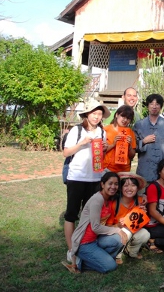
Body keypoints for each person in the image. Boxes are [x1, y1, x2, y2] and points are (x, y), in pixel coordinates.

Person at [63, 100, 110, 260]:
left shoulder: (102, 132)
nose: (97, 117)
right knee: (72, 214)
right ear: (87, 114)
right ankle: (71, 249)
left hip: (95, 178)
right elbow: (66, 152)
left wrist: (104, 148)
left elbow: (100, 156)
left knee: (90, 214)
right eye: (94, 113)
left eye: (99, 114)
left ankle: (85, 244)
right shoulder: (76, 130)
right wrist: (82, 143)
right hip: (77, 177)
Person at [62, 172, 126, 274]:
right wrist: (117, 230)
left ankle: (97, 259)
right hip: (84, 243)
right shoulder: (97, 199)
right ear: (102, 184)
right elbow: (95, 227)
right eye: (110, 183)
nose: (113, 187)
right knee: (111, 266)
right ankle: (79, 263)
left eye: (116, 184)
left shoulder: (109, 199)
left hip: (96, 239)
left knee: (118, 240)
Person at [106, 172, 150, 263]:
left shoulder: (141, 201)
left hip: (131, 232)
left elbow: (143, 224)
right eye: (126, 186)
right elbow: (107, 227)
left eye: (133, 185)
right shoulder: (114, 204)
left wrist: (143, 214)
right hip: (115, 234)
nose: (129, 189)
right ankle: (117, 254)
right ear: (121, 188)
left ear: (137, 188)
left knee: (145, 233)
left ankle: (131, 251)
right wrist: (118, 225)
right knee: (126, 230)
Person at [133, 94, 164, 183]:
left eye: (157, 104)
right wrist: (143, 142)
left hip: (162, 170)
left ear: (161, 107)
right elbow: (133, 147)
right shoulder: (139, 125)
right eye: (151, 104)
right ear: (147, 106)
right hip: (144, 168)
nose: (154, 106)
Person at [103, 105, 137, 173]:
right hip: (107, 168)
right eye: (123, 116)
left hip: (124, 170)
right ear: (117, 115)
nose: (125, 120)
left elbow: (132, 156)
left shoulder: (130, 133)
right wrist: (113, 144)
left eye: (128, 118)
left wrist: (129, 147)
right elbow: (100, 151)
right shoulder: (106, 130)